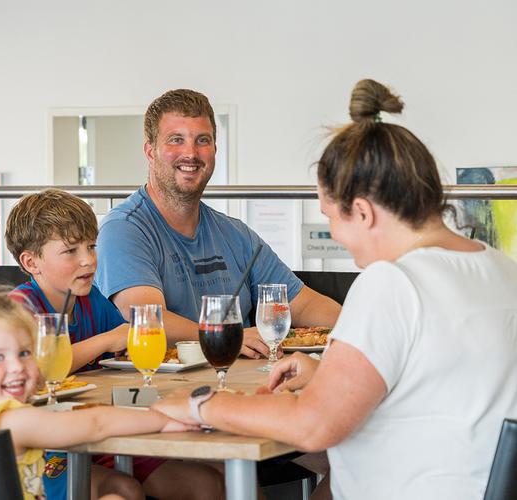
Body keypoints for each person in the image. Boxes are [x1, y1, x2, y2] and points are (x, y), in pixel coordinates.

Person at [152, 79, 517, 499]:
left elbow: (312, 424)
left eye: (332, 216)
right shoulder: (500, 268)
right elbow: (438, 385)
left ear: (362, 212)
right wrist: (327, 375)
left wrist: (201, 404)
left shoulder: (392, 283)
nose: (336, 234)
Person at [4, 188, 225, 500]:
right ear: (31, 262)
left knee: (211, 483)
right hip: (44, 451)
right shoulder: (18, 308)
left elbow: (128, 343)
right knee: (123, 489)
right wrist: (107, 340)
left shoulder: (90, 298)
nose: (88, 260)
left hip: (105, 437)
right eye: (70, 251)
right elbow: (36, 370)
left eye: (91, 247)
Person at [95, 89, 341, 359]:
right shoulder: (124, 229)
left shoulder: (236, 234)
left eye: (203, 140)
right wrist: (227, 335)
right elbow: (148, 320)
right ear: (150, 151)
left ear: (214, 149)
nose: (190, 153)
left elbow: (302, 304)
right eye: (176, 140)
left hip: (243, 385)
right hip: (159, 390)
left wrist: (358, 328)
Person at [0, 286, 212, 500]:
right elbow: (95, 423)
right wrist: (163, 419)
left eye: (25, 353)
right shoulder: (8, 421)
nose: (17, 366)